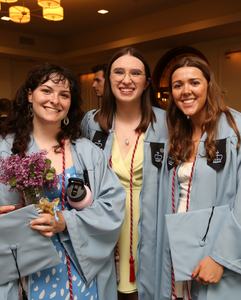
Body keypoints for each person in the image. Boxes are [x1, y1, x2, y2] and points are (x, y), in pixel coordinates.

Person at [0, 63, 126, 300]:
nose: (54, 100)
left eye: (64, 95)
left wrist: (66, 221)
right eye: (46, 91)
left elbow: (112, 206)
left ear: (71, 103)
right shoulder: (2, 148)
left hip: (75, 264)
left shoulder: (88, 152)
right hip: (21, 265)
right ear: (30, 95)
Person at [157, 55, 241, 300]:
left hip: (218, 252)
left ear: (209, 86)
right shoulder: (176, 134)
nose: (186, 91)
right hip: (179, 248)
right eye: (178, 85)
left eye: (194, 83)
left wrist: (221, 258)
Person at [82, 47, 167, 300]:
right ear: (108, 79)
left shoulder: (167, 122)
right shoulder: (92, 122)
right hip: (104, 222)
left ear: (147, 82)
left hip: (152, 222)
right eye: (118, 72)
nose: (126, 80)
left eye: (135, 73)